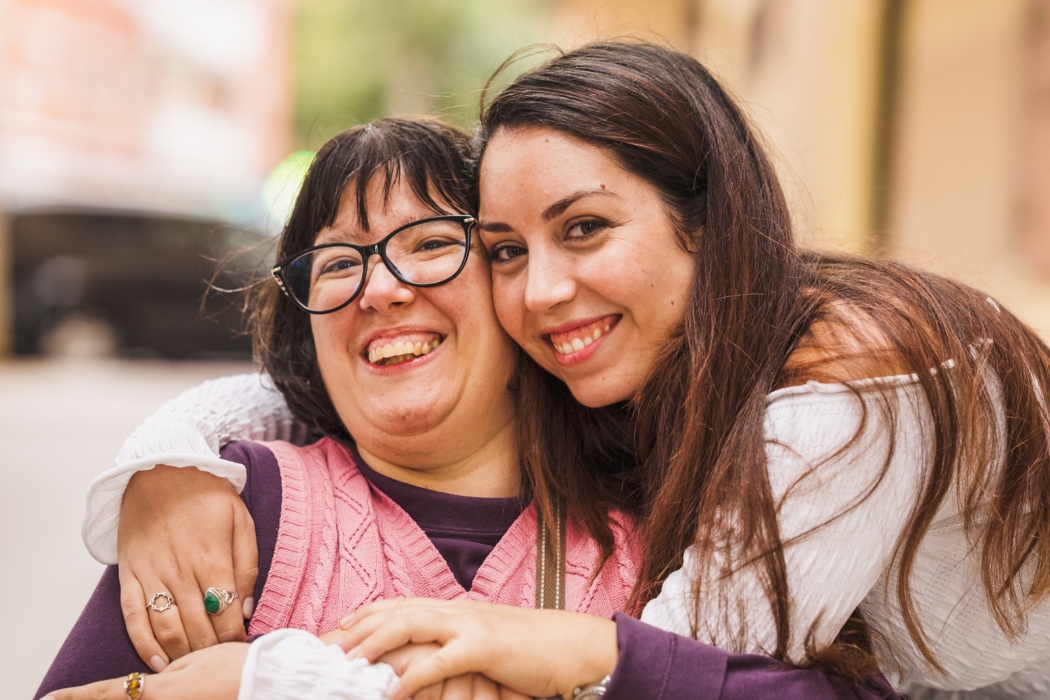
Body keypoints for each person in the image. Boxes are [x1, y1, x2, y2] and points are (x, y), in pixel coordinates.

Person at [72, 39, 1050, 699]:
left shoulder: (831, 402)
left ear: (709, 224)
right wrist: (172, 458)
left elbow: (686, 672)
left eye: (585, 228)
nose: (540, 290)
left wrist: (277, 677)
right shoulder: (662, 392)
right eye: (505, 247)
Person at [35, 117, 639, 700]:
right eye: (340, 263)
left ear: (512, 278)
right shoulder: (231, 503)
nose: (379, 291)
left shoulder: (659, 530)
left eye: (430, 243)